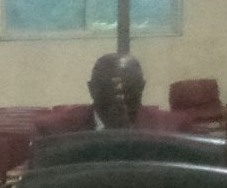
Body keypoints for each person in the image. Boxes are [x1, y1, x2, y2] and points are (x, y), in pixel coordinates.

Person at [44, 52, 193, 133]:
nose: (120, 99)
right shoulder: (55, 130)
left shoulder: (171, 128)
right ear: (92, 89)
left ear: (142, 88)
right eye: (109, 89)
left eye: (128, 89)